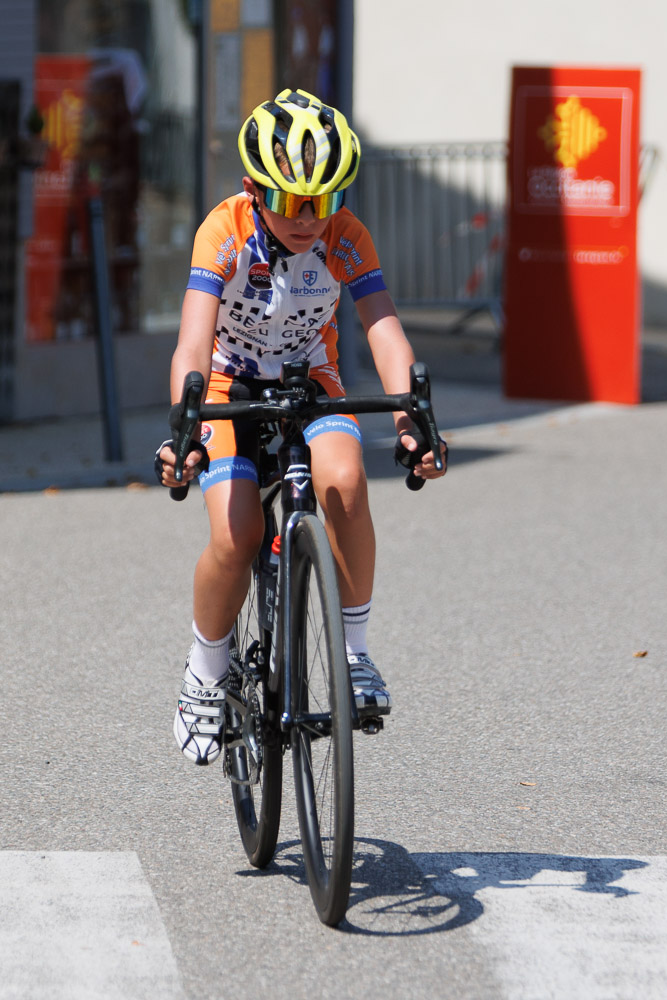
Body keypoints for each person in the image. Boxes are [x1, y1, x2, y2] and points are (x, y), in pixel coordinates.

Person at [156, 89, 445, 764]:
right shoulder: (222, 231)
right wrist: (185, 429)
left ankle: (355, 655)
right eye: (293, 203)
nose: (311, 220)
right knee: (237, 534)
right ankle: (204, 672)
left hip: (311, 379)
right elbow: (192, 344)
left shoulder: (346, 237)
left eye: (327, 200)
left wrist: (414, 416)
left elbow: (384, 330)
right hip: (228, 383)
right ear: (256, 190)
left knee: (345, 484)